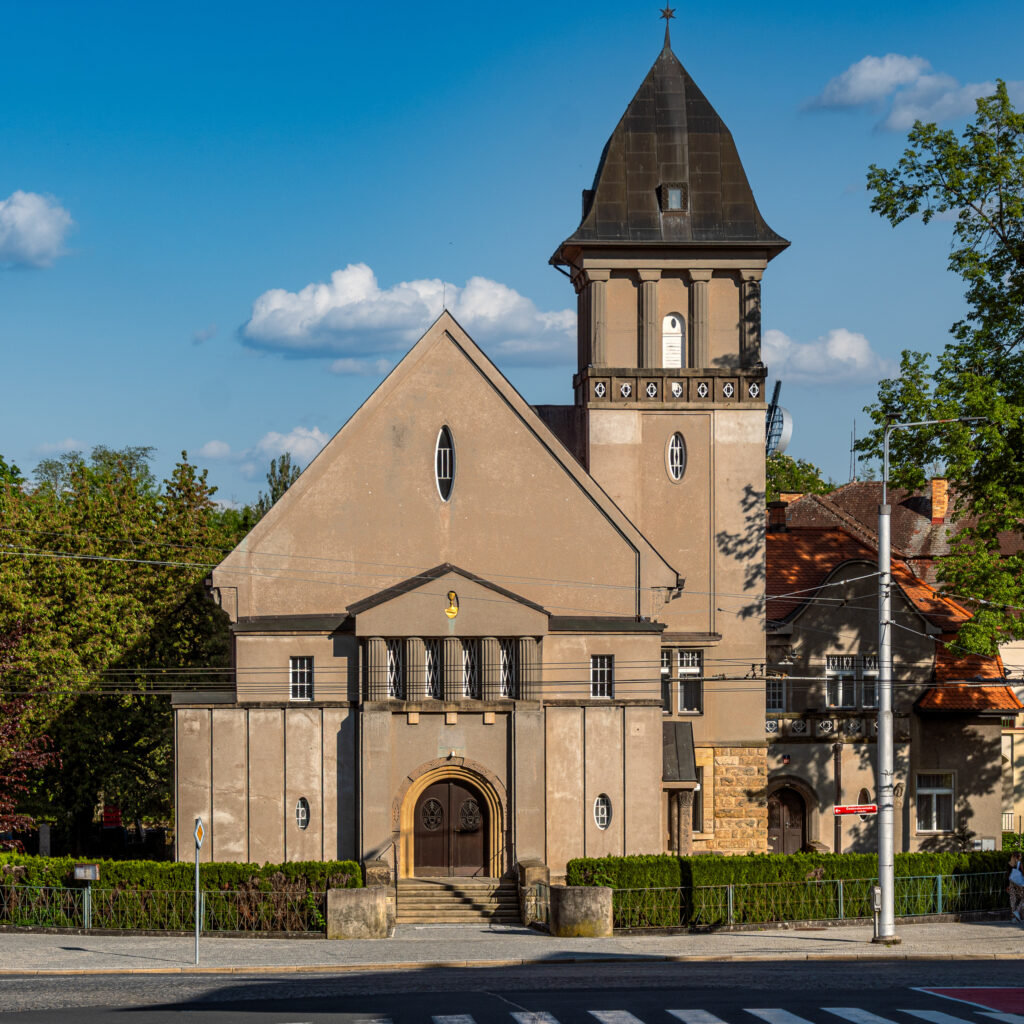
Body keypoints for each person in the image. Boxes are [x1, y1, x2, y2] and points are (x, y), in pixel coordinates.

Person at [1007, 852, 1024, 923]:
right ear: (1018, 857)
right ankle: (1017, 911)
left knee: (1013, 899)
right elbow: (1023, 872)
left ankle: (1013, 918)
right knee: (1023, 898)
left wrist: (1007, 885)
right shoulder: (1019, 863)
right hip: (1018, 883)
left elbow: (1007, 874)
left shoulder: (1009, 864)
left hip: (1011, 883)